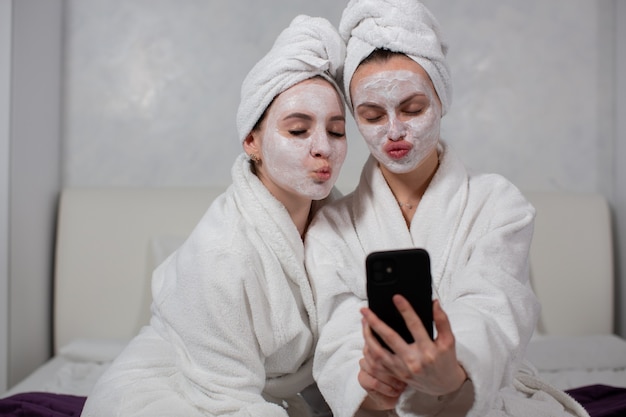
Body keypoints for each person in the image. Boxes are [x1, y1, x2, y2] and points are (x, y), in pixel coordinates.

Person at [304, 1, 590, 416]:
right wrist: (366, 389)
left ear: (441, 99)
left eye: (412, 108)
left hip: (472, 398)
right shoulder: (332, 226)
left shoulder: (499, 204)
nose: (394, 131)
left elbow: (494, 305)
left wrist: (454, 371)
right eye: (371, 115)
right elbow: (339, 337)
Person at [81, 14, 346, 417]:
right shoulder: (224, 251)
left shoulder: (341, 226)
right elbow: (226, 399)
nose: (322, 147)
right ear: (252, 141)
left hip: (255, 395)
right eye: (298, 130)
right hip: (167, 395)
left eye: (337, 130)